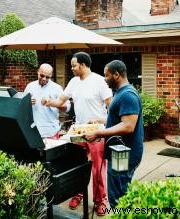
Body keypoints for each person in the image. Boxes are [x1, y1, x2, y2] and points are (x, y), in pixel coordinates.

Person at [42, 52, 112, 216]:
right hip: (78, 131)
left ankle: (100, 200)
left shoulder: (99, 81)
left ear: (82, 64)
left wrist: (101, 122)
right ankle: (78, 193)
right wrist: (49, 102)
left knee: (97, 168)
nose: (71, 68)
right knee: (74, 165)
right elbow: (60, 101)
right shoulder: (73, 82)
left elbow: (112, 107)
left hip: (97, 132)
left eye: (73, 65)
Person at [85, 60, 144, 208]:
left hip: (123, 154)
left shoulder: (127, 95)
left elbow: (128, 126)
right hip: (119, 151)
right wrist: (100, 121)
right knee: (120, 192)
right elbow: (119, 119)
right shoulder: (120, 93)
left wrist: (99, 133)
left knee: (118, 198)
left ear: (116, 75)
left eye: (107, 75)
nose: (105, 79)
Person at [24, 63, 70, 139]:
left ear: (51, 75)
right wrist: (27, 102)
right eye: (42, 75)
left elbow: (67, 108)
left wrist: (53, 103)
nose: (44, 79)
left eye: (47, 77)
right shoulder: (30, 86)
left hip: (51, 131)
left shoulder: (57, 88)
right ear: (38, 71)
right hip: (33, 131)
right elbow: (22, 107)